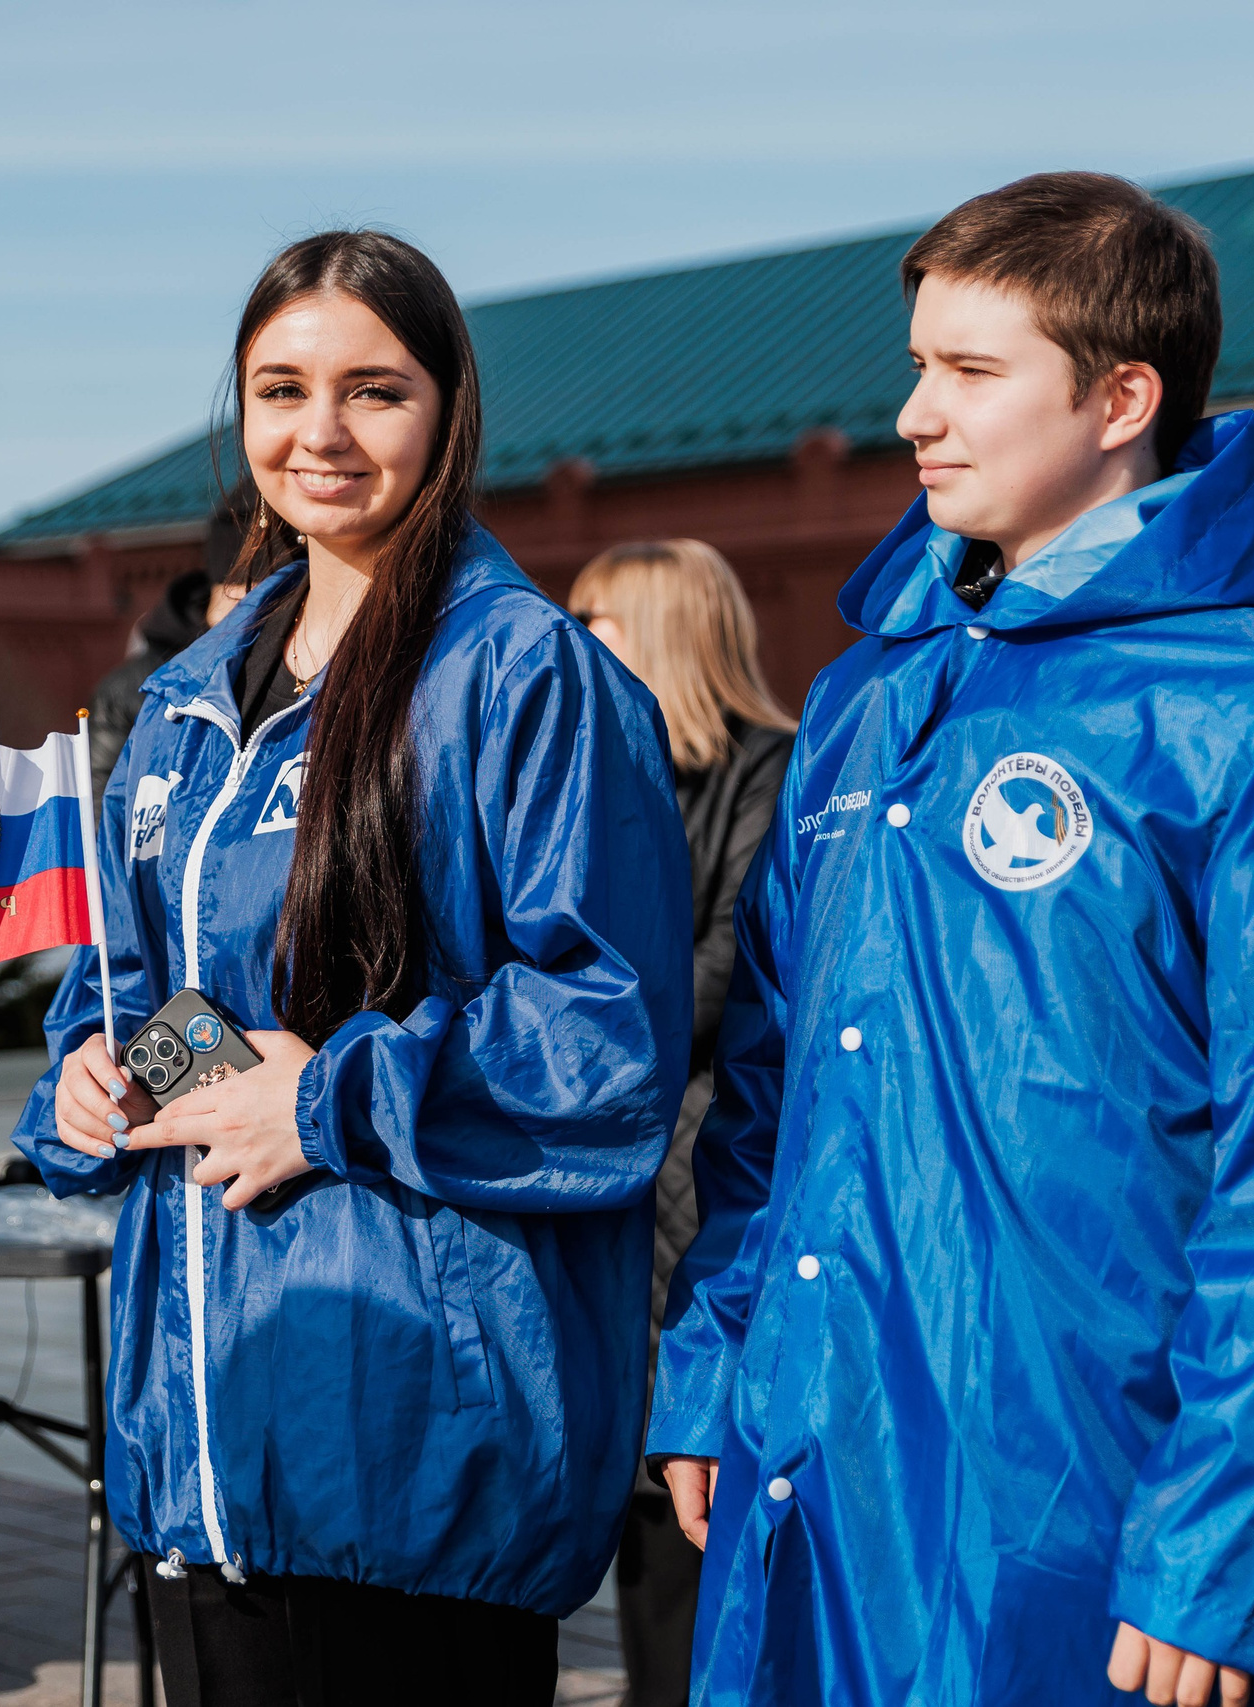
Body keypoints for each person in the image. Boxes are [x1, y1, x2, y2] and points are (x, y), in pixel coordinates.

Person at [650, 174, 1254, 1707]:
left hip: (1080, 1509)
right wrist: (714, 1365)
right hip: (806, 1475)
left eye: (969, 371)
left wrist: (1223, 1544)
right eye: (916, 364)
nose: (912, 415)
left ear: (1119, 397)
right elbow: (766, 1091)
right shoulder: (866, 701)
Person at [12, 229, 695, 1707]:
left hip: (410, 1439)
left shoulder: (521, 675)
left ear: (448, 410)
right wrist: (105, 1072)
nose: (318, 433)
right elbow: (166, 987)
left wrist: (324, 1099)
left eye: (372, 391)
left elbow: (611, 1039)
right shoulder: (195, 693)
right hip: (203, 1419)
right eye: (280, 388)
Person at [568, 539, 794, 1707]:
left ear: (667, 632)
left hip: (701, 1178)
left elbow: (726, 980)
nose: (576, 640)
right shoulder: (582, 778)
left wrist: (563, 1038)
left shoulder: (775, 771)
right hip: (605, 1179)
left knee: (686, 1509)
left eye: (597, 618)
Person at [88, 491, 254, 800]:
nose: (254, 617)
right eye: (245, 597)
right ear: (218, 592)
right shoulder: (134, 691)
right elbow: (102, 816)